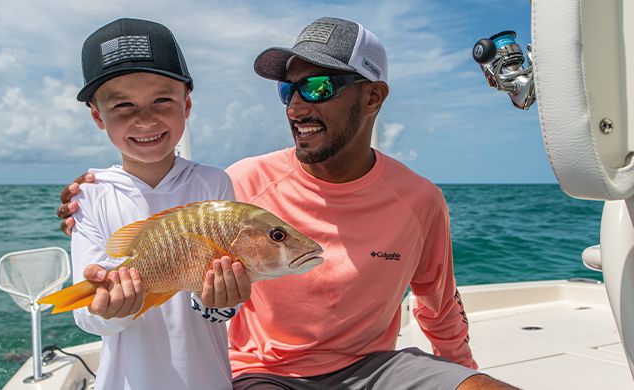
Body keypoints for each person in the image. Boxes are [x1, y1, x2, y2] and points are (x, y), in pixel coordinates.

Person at [59, 17, 517, 390]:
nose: (296, 106)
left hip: (377, 367)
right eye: (288, 90)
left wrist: (464, 374)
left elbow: (438, 305)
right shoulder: (239, 181)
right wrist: (92, 197)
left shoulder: (420, 199)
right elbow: (169, 200)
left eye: (318, 88)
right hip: (266, 373)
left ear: (374, 96)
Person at [62, 18, 251, 390]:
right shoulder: (91, 194)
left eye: (162, 100)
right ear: (98, 116)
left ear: (187, 104)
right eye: (123, 105)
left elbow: (220, 310)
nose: (145, 119)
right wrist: (108, 310)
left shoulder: (214, 184)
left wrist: (222, 299)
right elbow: (87, 316)